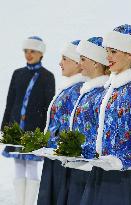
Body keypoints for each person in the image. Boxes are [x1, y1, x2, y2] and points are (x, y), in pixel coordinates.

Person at [80, 24, 131, 205]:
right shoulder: (107, 92)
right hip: (99, 173)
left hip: (122, 179)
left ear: (130, 53)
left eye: (113, 52)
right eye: (107, 51)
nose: (108, 57)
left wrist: (119, 161)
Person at [1, 36, 55, 205]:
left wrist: (47, 132)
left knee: (31, 166)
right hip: (16, 127)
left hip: (34, 128)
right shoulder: (18, 74)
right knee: (18, 164)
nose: (28, 54)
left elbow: (48, 106)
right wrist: (4, 126)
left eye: (32, 51)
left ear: (41, 53)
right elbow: (10, 102)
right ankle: (19, 202)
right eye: (26, 51)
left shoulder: (47, 76)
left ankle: (29, 203)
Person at [37, 40, 87, 205]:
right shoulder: (69, 89)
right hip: (54, 156)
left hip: (64, 161)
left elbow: (72, 128)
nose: (60, 63)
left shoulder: (78, 91)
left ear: (79, 63)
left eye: (65, 59)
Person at [64, 36, 109, 205]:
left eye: (83, 59)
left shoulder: (101, 93)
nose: (79, 63)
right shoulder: (88, 91)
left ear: (96, 62)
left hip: (90, 169)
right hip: (80, 165)